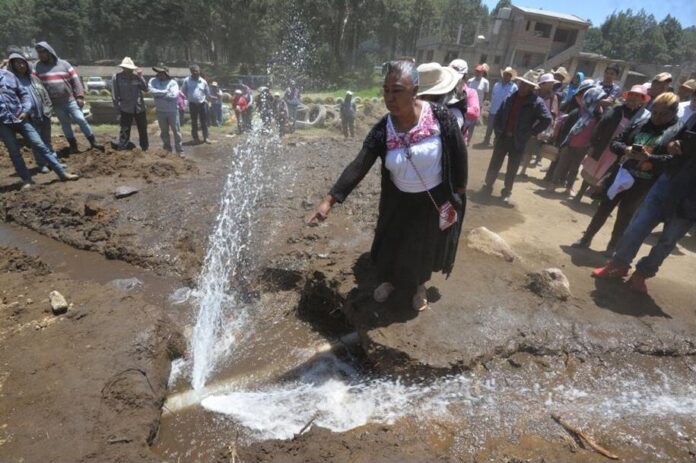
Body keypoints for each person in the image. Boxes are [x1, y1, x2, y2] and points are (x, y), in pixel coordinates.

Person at [308, 59, 467, 312]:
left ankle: (419, 286)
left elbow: (459, 155)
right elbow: (360, 163)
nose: (389, 98)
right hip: (398, 199)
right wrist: (330, 199)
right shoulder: (384, 127)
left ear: (414, 91)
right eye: (386, 90)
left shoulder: (440, 118)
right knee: (392, 242)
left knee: (422, 245)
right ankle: (390, 281)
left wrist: (458, 193)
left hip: (432, 198)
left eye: (397, 90)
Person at [592, 110, 696, 294]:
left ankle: (642, 274)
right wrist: (675, 144)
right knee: (637, 226)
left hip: (691, 198)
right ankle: (619, 264)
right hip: (669, 181)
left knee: (668, 240)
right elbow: (678, 141)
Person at [572, 92, 679, 255]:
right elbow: (616, 143)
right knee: (604, 208)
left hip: (644, 183)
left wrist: (650, 158)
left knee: (625, 215)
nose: (657, 117)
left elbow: (673, 160)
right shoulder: (641, 123)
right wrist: (626, 149)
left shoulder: (675, 133)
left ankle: (612, 247)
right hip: (621, 174)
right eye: (655, 112)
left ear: (673, 113)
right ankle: (586, 238)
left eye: (663, 114)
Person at [481, 70, 552, 203]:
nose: (522, 87)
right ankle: (488, 186)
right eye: (522, 83)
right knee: (495, 163)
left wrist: (532, 133)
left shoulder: (536, 102)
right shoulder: (510, 97)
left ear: (532, 88)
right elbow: (499, 115)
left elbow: (546, 119)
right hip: (503, 137)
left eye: (526, 85)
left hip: (518, 140)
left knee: (512, 168)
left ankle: (506, 191)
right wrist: (498, 132)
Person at [0, 68, 78, 189]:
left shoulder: (8, 75)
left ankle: (62, 173)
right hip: (3, 122)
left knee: (39, 144)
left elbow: (23, 94)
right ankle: (27, 180)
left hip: (21, 117)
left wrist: (26, 110)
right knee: (14, 152)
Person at [574, 84, 651, 202]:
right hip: (604, 147)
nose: (633, 98)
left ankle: (597, 199)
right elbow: (600, 126)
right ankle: (580, 194)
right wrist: (593, 144)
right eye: (632, 94)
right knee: (592, 171)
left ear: (642, 100)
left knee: (608, 175)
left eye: (638, 96)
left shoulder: (643, 117)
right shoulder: (616, 109)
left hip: (621, 151)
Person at [33, 41, 104, 153]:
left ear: (49, 52)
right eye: (38, 53)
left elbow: (76, 81)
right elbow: (35, 85)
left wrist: (79, 96)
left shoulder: (64, 64)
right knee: (65, 123)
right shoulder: (37, 67)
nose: (40, 55)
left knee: (80, 119)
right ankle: (73, 146)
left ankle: (93, 142)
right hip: (55, 103)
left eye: (42, 52)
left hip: (69, 100)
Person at [549, 82, 606, 198]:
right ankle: (553, 184)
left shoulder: (598, 116)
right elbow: (565, 130)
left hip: (583, 147)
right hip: (569, 145)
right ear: (592, 100)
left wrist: (590, 145)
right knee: (562, 165)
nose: (601, 102)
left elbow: (596, 133)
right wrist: (562, 144)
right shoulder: (576, 113)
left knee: (574, 168)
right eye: (599, 100)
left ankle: (569, 187)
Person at [8, 52, 56, 173]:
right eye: (17, 64)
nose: (21, 66)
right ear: (12, 66)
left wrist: (48, 109)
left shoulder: (34, 78)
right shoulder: (12, 81)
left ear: (26, 63)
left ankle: (54, 162)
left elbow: (44, 94)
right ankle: (42, 164)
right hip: (29, 117)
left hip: (44, 114)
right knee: (37, 143)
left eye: (22, 62)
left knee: (47, 140)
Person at [518, 72, 559, 177]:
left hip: (540, 126)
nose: (551, 85)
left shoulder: (553, 97)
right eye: (549, 83)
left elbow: (554, 112)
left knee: (530, 147)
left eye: (552, 83)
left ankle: (523, 170)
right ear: (543, 84)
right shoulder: (533, 93)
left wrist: (551, 124)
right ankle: (517, 165)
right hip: (528, 123)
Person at [112, 57, 148, 151]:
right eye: (127, 68)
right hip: (125, 108)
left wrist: (141, 76)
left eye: (131, 69)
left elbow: (145, 89)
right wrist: (117, 110)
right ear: (123, 68)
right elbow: (115, 95)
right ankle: (123, 147)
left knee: (143, 129)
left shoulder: (137, 76)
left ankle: (145, 148)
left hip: (139, 107)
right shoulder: (117, 77)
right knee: (125, 129)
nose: (129, 70)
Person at [148, 64, 183, 155]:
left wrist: (158, 94)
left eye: (161, 72)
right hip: (160, 111)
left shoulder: (173, 82)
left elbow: (173, 95)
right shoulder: (153, 81)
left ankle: (179, 150)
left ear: (166, 73)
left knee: (176, 131)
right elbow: (152, 91)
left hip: (172, 111)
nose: (159, 74)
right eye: (158, 72)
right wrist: (165, 92)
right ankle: (167, 149)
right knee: (164, 132)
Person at [482, 66, 517, 146]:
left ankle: (496, 142)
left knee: (500, 128)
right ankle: (486, 141)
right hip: (493, 110)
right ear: (503, 75)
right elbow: (493, 96)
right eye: (505, 74)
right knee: (489, 127)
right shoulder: (497, 84)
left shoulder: (514, 87)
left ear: (511, 77)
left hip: (505, 112)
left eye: (508, 75)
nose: (506, 76)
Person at [448, 59, 480, 145]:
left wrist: (462, 107)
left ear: (465, 76)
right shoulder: (442, 91)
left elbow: (475, 112)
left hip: (460, 139)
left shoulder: (471, 92)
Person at [181, 64, 211, 144]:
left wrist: (208, 101)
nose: (195, 72)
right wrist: (187, 99)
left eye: (196, 71)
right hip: (192, 104)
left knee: (204, 122)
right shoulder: (186, 81)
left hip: (202, 104)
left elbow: (207, 93)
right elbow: (183, 91)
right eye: (193, 71)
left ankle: (206, 138)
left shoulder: (203, 81)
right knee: (194, 122)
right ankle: (195, 139)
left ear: (199, 71)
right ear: (191, 72)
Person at [466, 63, 489, 142]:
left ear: (482, 73)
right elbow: (466, 92)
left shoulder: (485, 82)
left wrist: (481, 106)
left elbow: (486, 94)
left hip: (477, 107)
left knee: (472, 125)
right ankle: (463, 138)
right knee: (465, 123)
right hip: (468, 105)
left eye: (479, 72)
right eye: (476, 71)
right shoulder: (470, 81)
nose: (477, 73)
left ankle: (468, 139)